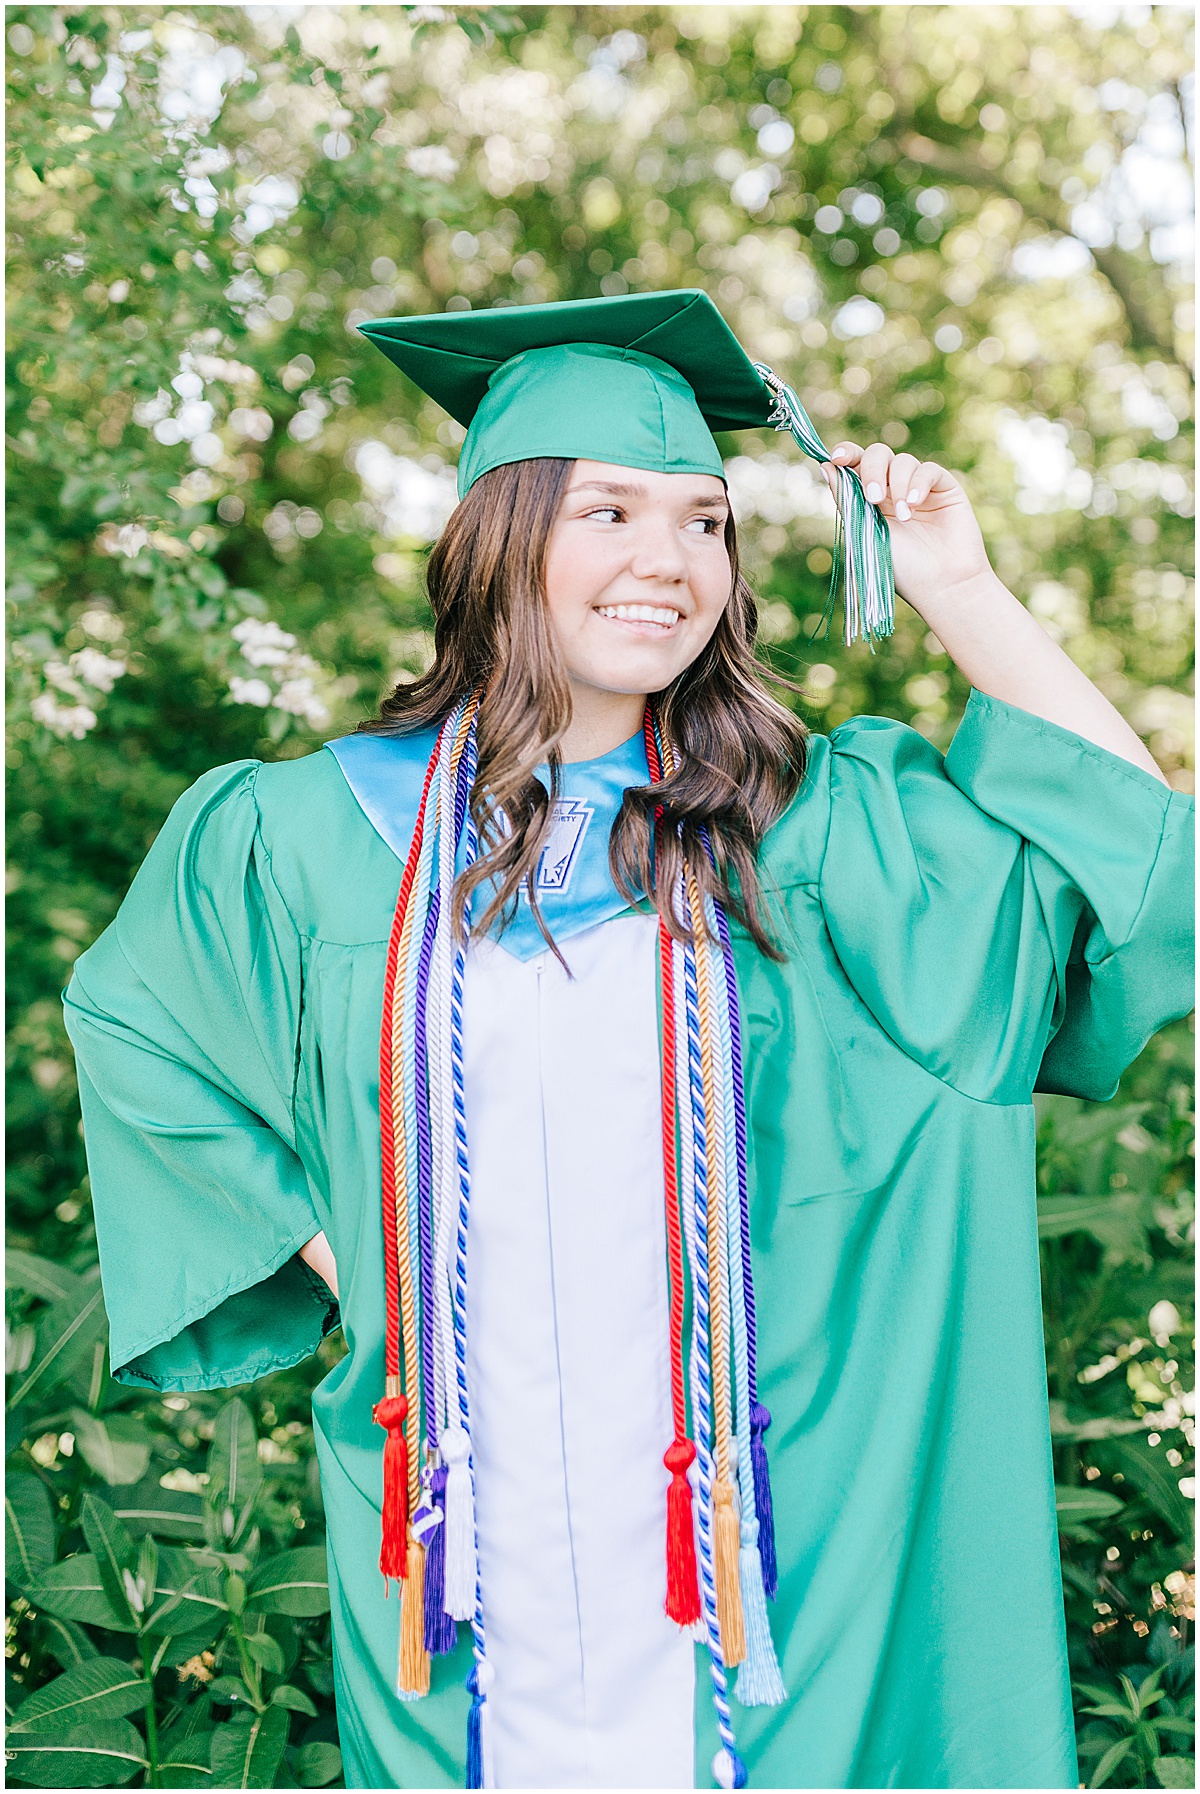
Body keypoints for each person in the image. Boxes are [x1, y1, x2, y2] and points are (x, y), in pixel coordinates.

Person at [62, 289, 1193, 1792]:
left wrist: (962, 586)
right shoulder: (305, 836)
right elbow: (143, 1033)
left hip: (758, 1524)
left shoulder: (812, 827)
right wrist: (357, 1262)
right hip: (472, 1530)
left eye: (707, 521)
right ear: (498, 535)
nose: (670, 560)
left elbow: (1138, 868)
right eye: (610, 510)